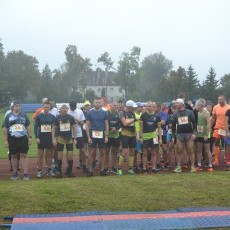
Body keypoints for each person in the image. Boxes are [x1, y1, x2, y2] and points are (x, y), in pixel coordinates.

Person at [2, 100, 32, 180]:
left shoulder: (24, 115)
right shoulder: (8, 116)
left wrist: (30, 137)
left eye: (19, 106)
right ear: (13, 107)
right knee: (14, 156)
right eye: (16, 106)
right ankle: (15, 174)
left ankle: (26, 174)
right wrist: (5, 140)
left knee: (24, 155)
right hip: (12, 139)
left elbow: (28, 126)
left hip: (23, 139)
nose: (18, 107)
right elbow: (5, 128)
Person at [172, 98, 197, 173]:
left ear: (182, 104)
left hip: (189, 134)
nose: (176, 105)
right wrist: (173, 136)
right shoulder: (175, 114)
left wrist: (194, 133)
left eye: (177, 103)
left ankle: (192, 167)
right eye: (175, 103)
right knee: (179, 151)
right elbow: (173, 126)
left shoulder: (189, 112)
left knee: (191, 150)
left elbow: (194, 123)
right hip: (179, 134)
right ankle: (179, 167)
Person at [85, 97, 109, 176]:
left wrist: (106, 136)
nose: (97, 104)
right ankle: (90, 170)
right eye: (96, 102)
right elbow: (87, 125)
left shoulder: (104, 112)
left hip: (101, 133)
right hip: (93, 133)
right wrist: (88, 137)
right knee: (92, 152)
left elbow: (106, 124)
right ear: (93, 103)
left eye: (98, 102)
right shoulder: (90, 113)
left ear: (101, 103)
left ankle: (102, 170)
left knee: (102, 152)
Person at [52, 104, 77, 178]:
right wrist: (53, 138)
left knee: (70, 155)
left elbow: (74, 128)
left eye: (66, 108)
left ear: (68, 109)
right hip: (60, 138)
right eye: (63, 108)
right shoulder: (57, 118)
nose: (64, 109)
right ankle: (59, 172)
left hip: (69, 139)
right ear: (60, 109)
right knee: (59, 155)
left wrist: (75, 138)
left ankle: (70, 172)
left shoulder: (71, 117)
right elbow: (53, 128)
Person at [34, 101, 56, 178]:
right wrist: (37, 137)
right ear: (43, 107)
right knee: (40, 154)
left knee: (49, 154)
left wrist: (53, 139)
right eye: (45, 107)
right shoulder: (38, 116)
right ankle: (39, 171)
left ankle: (49, 170)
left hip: (49, 137)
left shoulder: (53, 117)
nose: (47, 108)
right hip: (41, 137)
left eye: (48, 107)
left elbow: (53, 128)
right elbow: (35, 127)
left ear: (50, 108)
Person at [139, 101, 162, 174]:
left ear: (153, 107)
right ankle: (144, 168)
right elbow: (141, 128)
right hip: (145, 136)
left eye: (150, 106)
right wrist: (141, 137)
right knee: (145, 153)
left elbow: (159, 128)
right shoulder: (143, 115)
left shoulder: (157, 116)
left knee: (154, 153)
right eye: (147, 106)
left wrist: (160, 138)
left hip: (154, 136)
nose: (148, 107)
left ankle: (154, 168)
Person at [117, 100, 137, 175]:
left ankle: (130, 169)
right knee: (124, 152)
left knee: (132, 151)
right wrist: (134, 120)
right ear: (129, 107)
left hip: (132, 135)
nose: (134, 108)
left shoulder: (133, 113)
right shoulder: (122, 112)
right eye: (132, 107)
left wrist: (135, 133)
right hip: (125, 134)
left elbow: (134, 125)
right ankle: (119, 168)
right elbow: (124, 123)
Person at [194, 99, 213, 172]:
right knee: (199, 149)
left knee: (207, 150)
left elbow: (209, 124)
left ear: (200, 105)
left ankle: (210, 165)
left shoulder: (206, 113)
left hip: (205, 134)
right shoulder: (197, 113)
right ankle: (199, 165)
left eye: (197, 105)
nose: (195, 106)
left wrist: (206, 134)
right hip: (199, 134)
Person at [68, 101, 87, 172]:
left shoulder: (79, 111)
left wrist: (77, 121)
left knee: (82, 150)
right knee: (69, 151)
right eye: (72, 107)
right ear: (70, 106)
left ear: (76, 106)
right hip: (69, 134)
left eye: (74, 107)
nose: (73, 108)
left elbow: (83, 123)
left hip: (79, 133)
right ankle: (69, 167)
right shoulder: (67, 111)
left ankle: (84, 165)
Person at [211, 95, 230, 165]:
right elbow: (213, 118)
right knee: (216, 142)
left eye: (221, 99)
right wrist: (210, 126)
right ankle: (216, 160)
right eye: (218, 99)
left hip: (226, 128)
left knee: (227, 144)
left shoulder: (228, 107)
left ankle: (227, 159)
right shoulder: (216, 107)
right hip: (217, 128)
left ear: (224, 99)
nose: (219, 101)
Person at [105, 102, 121, 173]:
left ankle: (114, 167)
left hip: (116, 135)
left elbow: (121, 124)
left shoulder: (119, 114)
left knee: (115, 152)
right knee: (106, 152)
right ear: (110, 106)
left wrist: (116, 128)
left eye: (116, 105)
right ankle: (105, 167)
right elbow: (104, 123)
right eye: (114, 105)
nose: (115, 106)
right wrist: (108, 129)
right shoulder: (106, 113)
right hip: (108, 135)